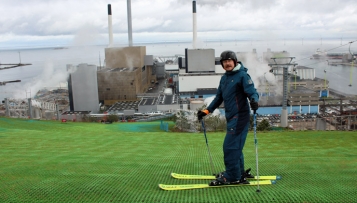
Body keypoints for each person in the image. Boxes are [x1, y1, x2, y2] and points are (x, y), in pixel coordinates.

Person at [197, 50, 259, 186]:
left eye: (229, 61)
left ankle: (233, 176)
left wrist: (254, 100)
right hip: (231, 117)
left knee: (230, 147)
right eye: (224, 62)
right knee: (235, 147)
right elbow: (219, 97)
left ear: (235, 61)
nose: (227, 63)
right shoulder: (225, 78)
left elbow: (252, 91)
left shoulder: (242, 75)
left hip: (240, 116)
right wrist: (206, 111)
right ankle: (239, 172)